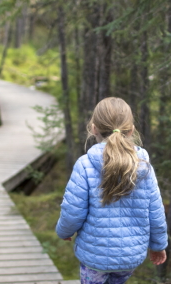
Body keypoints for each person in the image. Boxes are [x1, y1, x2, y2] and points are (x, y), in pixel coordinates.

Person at [56, 97, 168, 284]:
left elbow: (72, 210)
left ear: (93, 128)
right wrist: (158, 245)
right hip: (130, 256)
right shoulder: (144, 165)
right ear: (131, 130)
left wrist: (63, 231)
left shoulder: (84, 165)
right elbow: (155, 212)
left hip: (94, 257)